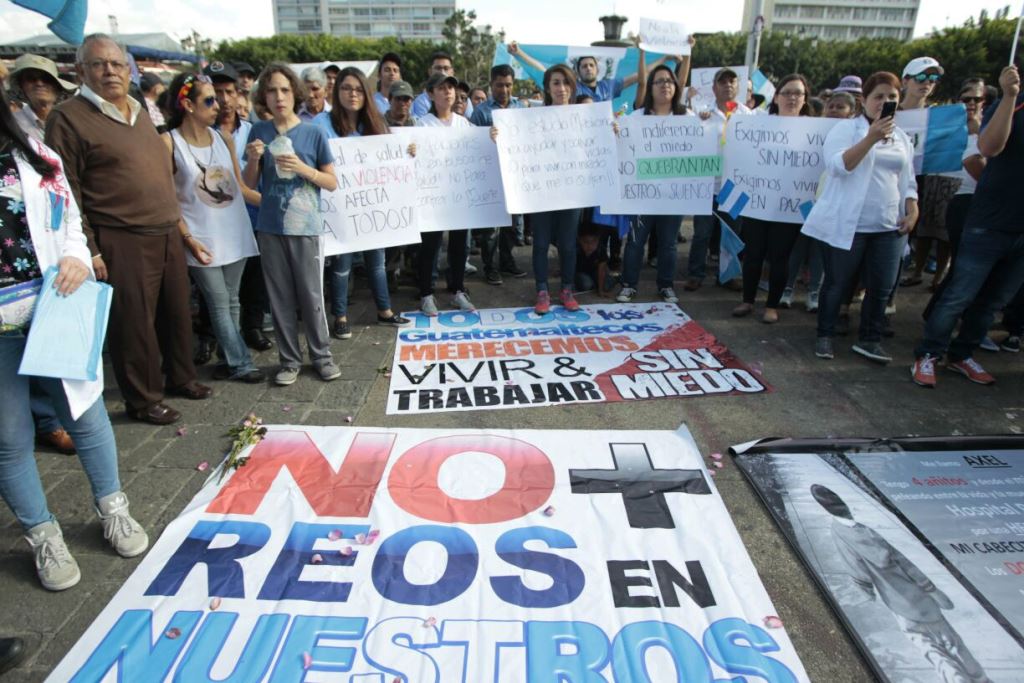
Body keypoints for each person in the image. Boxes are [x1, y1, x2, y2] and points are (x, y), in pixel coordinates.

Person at [0, 85, 149, 590]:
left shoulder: (35, 154)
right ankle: (43, 534)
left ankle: (114, 509)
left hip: (52, 307)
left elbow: (70, 227)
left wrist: (76, 258)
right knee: (9, 438)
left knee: (86, 418)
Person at [45, 34, 212, 426]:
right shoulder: (69, 117)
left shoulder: (141, 111)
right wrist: (90, 249)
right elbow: (65, 189)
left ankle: (181, 377)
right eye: (99, 64)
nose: (110, 71)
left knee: (176, 313)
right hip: (121, 235)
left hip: (165, 230)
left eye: (117, 64)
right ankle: (143, 399)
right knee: (133, 323)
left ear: (129, 69)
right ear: (81, 70)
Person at [912, 66, 1024, 387]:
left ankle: (962, 354)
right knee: (959, 294)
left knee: (992, 301)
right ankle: (929, 354)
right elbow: (988, 148)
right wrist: (1010, 95)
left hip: (1021, 231)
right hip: (989, 223)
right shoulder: (1012, 104)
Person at [811, 485, 989, 682]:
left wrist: (866, 591)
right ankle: (978, 677)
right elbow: (905, 563)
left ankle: (955, 678)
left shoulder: (840, 533)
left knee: (927, 645)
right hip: (920, 597)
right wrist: (932, 589)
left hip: (896, 601)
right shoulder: (865, 531)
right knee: (950, 640)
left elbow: (855, 568)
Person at [802, 71, 918, 364]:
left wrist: (912, 206)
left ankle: (870, 339)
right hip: (850, 225)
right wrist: (870, 138)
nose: (885, 102)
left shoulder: (902, 138)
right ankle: (825, 335)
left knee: (881, 287)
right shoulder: (846, 131)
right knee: (837, 283)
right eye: (878, 96)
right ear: (864, 100)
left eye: (891, 97)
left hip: (889, 225)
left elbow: (908, 178)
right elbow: (839, 166)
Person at [242, 63, 341, 386]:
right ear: (263, 96)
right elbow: (250, 183)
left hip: (307, 227)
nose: (279, 96)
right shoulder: (259, 131)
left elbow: (331, 182)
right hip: (270, 226)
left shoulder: (313, 133)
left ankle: (322, 356)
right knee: (279, 296)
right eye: (271, 90)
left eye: (285, 89)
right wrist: (255, 159)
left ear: (294, 93)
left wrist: (302, 168)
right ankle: (289, 361)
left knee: (311, 294)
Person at [163, 72, 264, 384]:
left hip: (234, 231)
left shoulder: (224, 138)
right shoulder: (168, 142)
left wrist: (278, 204)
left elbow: (242, 187)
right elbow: (166, 199)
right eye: (209, 99)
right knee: (218, 303)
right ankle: (242, 362)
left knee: (232, 300)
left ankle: (228, 359)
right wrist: (187, 238)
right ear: (187, 104)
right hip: (201, 237)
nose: (218, 104)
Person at [314, 67, 410, 338]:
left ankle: (384, 310)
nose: (352, 94)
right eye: (346, 88)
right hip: (339, 207)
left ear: (365, 94)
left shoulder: (375, 123)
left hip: (370, 206)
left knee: (376, 261)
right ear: (337, 92)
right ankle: (340, 316)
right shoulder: (322, 124)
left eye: (358, 89)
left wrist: (408, 150)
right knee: (342, 265)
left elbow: (391, 156)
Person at [496, 64, 583, 314]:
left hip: (571, 192)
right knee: (541, 243)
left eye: (565, 82)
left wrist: (612, 131)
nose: (561, 88)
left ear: (572, 87)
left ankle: (567, 289)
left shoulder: (584, 117)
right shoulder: (532, 118)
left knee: (567, 244)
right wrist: (499, 135)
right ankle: (542, 291)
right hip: (541, 191)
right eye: (556, 83)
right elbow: (514, 140)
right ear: (547, 87)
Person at [733, 74, 813, 324]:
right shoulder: (758, 124)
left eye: (797, 93)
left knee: (780, 256)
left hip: (790, 207)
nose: (792, 98)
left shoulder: (814, 130)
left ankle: (771, 305)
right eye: (787, 92)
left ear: (805, 99)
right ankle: (747, 300)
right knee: (753, 254)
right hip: (758, 203)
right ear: (776, 97)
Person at [617, 64, 692, 305]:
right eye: (659, 81)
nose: (665, 85)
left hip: (673, 195)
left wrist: (706, 123)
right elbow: (621, 146)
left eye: (669, 81)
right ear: (650, 88)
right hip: (643, 194)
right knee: (636, 241)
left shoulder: (687, 118)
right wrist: (616, 130)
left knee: (668, 244)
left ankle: (666, 285)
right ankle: (629, 284)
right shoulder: (637, 118)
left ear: (676, 86)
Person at [782, 91, 858, 312]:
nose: (834, 110)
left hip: (831, 201)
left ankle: (814, 291)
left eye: (840, 107)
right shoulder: (811, 130)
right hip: (803, 198)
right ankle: (787, 288)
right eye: (831, 105)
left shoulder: (857, 136)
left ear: (851, 112)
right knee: (798, 246)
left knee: (819, 250)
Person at [415, 72, 476, 315]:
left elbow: (478, 151)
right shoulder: (422, 124)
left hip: (459, 195)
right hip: (433, 197)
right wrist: (410, 149)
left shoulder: (464, 124)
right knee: (430, 246)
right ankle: (426, 294)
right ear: (430, 93)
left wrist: (492, 137)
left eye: (451, 87)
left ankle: (457, 290)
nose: (448, 92)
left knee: (460, 245)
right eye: (442, 88)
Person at [686, 67, 752, 292]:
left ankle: (727, 275)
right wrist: (697, 123)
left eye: (732, 81)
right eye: (722, 82)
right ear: (714, 88)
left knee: (731, 234)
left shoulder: (750, 117)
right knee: (702, 233)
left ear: (738, 86)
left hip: (735, 187)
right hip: (707, 185)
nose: (727, 85)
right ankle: (696, 274)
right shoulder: (702, 114)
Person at [900, 57, 957, 291]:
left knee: (910, 238)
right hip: (891, 186)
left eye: (932, 79)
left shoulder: (940, 118)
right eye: (921, 77)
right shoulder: (890, 112)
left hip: (924, 184)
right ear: (905, 81)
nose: (927, 83)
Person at [470, 64, 527, 285]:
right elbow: (472, 146)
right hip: (491, 177)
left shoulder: (520, 108)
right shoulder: (481, 112)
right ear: (491, 85)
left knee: (512, 226)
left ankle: (507, 261)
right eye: (499, 85)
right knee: (491, 229)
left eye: (508, 85)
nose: (504, 89)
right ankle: (490, 267)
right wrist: (487, 137)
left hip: (515, 178)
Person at [508, 41, 663, 103]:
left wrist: (664, 58)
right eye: (584, 66)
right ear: (578, 71)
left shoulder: (609, 86)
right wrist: (519, 53)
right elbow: (544, 70)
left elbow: (640, 76)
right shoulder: (573, 87)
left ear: (597, 69)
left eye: (591, 65)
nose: (588, 68)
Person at [10, 54, 76, 142]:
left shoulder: (72, 121)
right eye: (31, 78)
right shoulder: (11, 123)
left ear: (58, 87)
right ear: (22, 86)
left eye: (47, 79)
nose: (39, 83)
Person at [411, 51, 473, 120]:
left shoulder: (464, 99)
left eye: (446, 68)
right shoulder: (420, 102)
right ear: (430, 72)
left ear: (452, 72)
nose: (442, 72)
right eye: (438, 68)